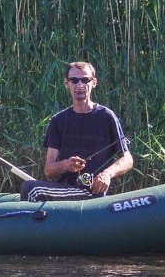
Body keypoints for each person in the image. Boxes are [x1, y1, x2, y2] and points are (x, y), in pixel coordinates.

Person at [20, 61, 133, 202]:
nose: (80, 85)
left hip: (93, 193)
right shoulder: (58, 120)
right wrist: (66, 165)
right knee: (29, 187)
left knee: (31, 189)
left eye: (85, 80)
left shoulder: (106, 116)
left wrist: (107, 174)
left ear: (94, 83)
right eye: (74, 80)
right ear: (66, 83)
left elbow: (127, 159)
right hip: (64, 190)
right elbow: (49, 170)